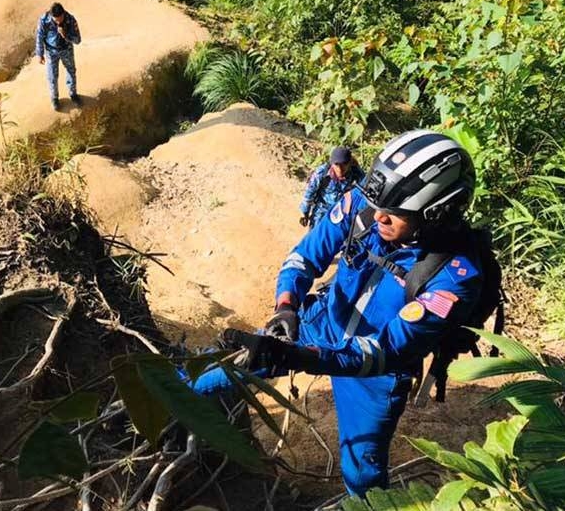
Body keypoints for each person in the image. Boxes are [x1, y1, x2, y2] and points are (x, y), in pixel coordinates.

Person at [191, 130, 484, 497]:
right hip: (321, 322)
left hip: (374, 376)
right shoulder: (364, 205)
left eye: (394, 214)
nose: (378, 217)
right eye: (377, 205)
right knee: (204, 377)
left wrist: (298, 356)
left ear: (436, 213)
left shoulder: (455, 277)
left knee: (363, 479)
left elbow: (387, 350)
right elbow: (304, 256)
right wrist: (286, 308)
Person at [299, 146, 364, 228]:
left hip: (343, 212)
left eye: (344, 164)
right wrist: (305, 213)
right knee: (315, 236)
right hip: (322, 210)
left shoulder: (357, 174)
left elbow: (363, 192)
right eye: (336, 164)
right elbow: (309, 193)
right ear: (331, 163)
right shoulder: (322, 173)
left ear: (350, 163)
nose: (340, 169)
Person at [35, 2, 82, 111]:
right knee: (52, 76)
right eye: (55, 20)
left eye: (60, 19)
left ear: (63, 13)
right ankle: (54, 98)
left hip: (66, 50)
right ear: (51, 16)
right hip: (51, 52)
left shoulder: (70, 19)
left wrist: (65, 35)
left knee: (71, 71)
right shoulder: (44, 20)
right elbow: (39, 37)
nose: (58, 22)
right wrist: (40, 54)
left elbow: (78, 40)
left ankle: (73, 94)